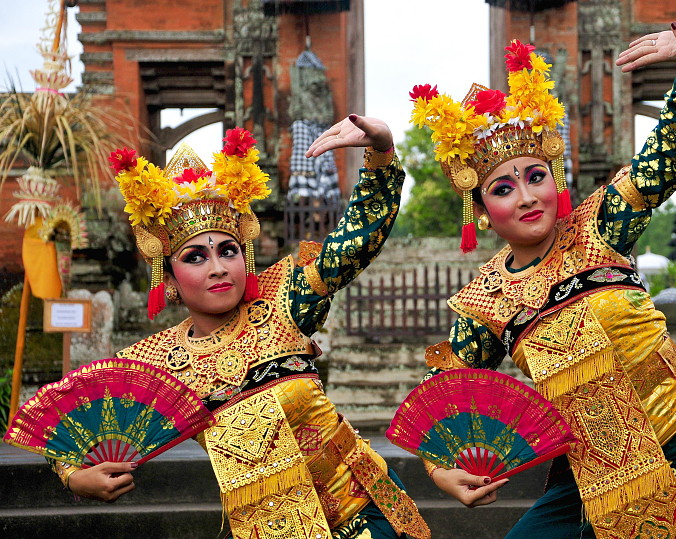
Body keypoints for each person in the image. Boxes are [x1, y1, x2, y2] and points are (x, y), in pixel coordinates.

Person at [406, 23, 676, 538]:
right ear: (479, 210)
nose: (525, 196)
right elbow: (446, 391)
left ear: (555, 179)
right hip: (594, 471)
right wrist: (439, 469)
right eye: (503, 187)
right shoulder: (486, 300)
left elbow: (670, 153)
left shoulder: (601, 224)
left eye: (535, 176)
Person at [49, 116, 431, 539]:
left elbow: (357, 238)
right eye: (195, 257)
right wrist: (73, 476)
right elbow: (65, 424)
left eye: (228, 250)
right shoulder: (156, 364)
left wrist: (381, 151)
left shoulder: (285, 301)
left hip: (367, 514)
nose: (217, 268)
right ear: (169, 279)